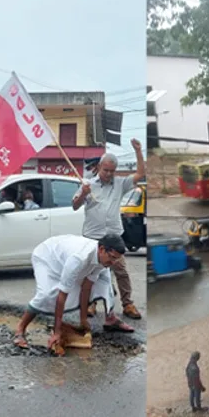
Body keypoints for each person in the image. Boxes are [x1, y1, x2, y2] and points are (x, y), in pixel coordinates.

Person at [13, 233, 126, 355]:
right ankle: (20, 330)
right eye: (112, 257)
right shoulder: (79, 258)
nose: (113, 262)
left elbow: (86, 288)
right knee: (46, 295)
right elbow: (62, 296)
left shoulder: (102, 260)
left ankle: (62, 326)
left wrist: (83, 320)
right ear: (102, 249)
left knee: (95, 285)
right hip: (47, 256)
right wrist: (57, 333)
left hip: (64, 258)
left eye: (117, 259)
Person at [73, 138, 146, 324]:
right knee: (91, 272)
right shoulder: (87, 184)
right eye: (106, 170)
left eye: (112, 171)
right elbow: (75, 205)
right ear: (99, 167)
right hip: (93, 238)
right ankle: (91, 303)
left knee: (121, 271)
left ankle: (127, 303)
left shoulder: (120, 183)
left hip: (114, 236)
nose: (109, 174)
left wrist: (138, 150)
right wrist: (83, 193)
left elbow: (140, 174)